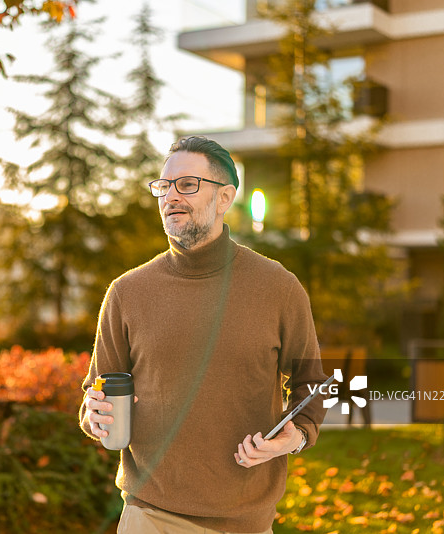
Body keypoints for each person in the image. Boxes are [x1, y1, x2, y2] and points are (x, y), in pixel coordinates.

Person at [79, 136, 328, 534]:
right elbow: (97, 397)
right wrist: (94, 415)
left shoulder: (278, 287)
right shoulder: (127, 292)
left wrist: (295, 436)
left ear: (225, 196)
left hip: (246, 521)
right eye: (163, 186)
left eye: (187, 184)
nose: (171, 196)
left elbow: (314, 387)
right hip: (149, 516)